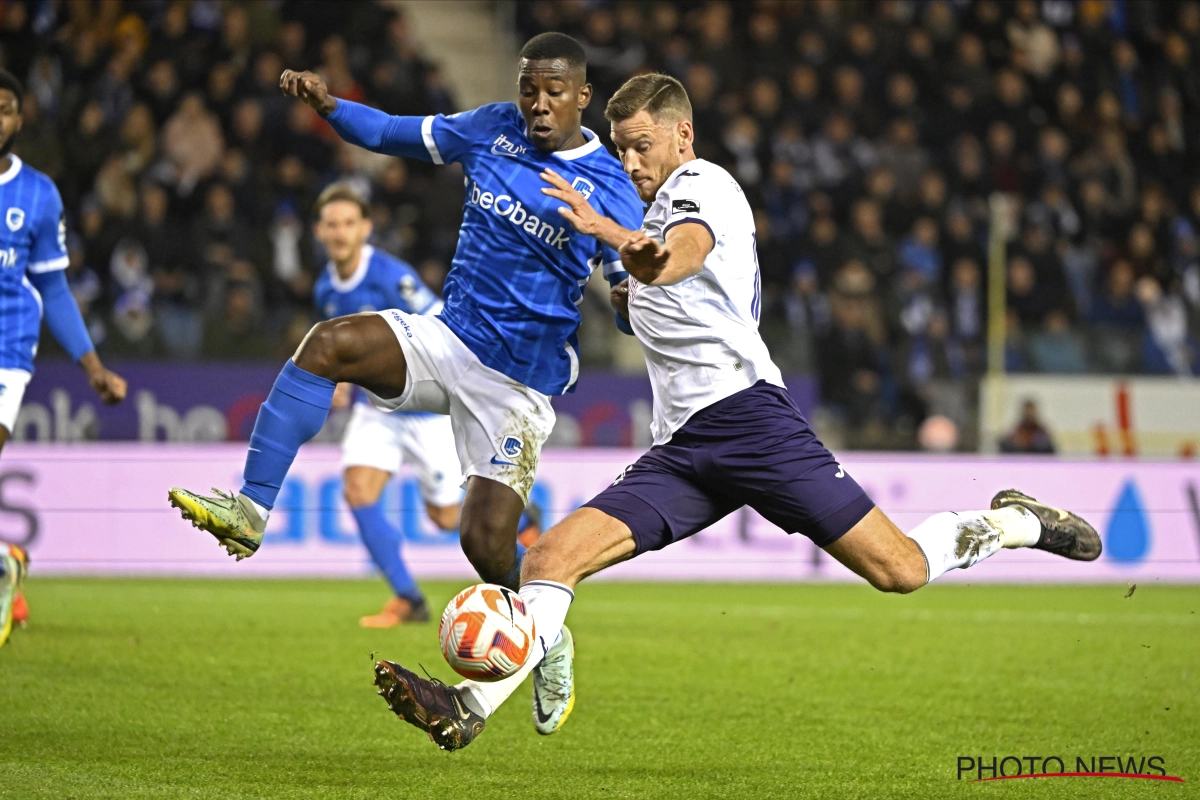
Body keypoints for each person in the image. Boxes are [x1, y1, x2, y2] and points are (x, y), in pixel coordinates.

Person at [368, 74, 1102, 752]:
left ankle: (1017, 521)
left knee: (900, 570)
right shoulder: (647, 213)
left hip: (751, 424)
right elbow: (664, 279)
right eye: (620, 147)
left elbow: (677, 255)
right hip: (682, 449)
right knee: (554, 556)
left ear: (683, 137)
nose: (629, 160)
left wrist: (620, 245)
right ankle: (467, 706)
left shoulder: (703, 185)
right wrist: (630, 290)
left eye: (643, 145)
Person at [167, 33, 638, 647]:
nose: (539, 104)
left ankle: (547, 640)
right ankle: (251, 510)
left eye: (554, 92)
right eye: (529, 89)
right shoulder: (490, 127)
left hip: (517, 381)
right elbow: (389, 132)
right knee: (327, 344)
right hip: (448, 337)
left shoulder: (612, 186)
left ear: (583, 95)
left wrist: (631, 293)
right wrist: (331, 106)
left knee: (483, 542)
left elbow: (629, 307)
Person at [0, 70, 126, 640]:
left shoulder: (38, 194)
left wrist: (92, 366)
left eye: (4, 108)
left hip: (8, 345)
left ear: (19, 118)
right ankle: (7, 564)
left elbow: (52, 288)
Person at [310, 183, 462, 627]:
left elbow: (440, 323)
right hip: (376, 407)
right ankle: (409, 599)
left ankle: (520, 537)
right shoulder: (326, 289)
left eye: (349, 224)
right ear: (319, 231)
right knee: (357, 490)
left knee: (447, 517)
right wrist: (337, 380)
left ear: (366, 229)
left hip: (424, 407)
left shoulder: (391, 277)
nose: (340, 233)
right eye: (332, 224)